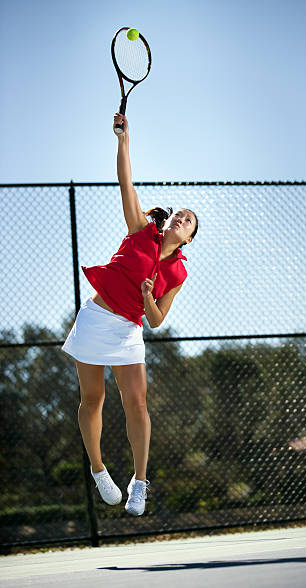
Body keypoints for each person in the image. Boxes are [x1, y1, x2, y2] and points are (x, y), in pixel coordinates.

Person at [62, 113, 198, 516]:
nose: (181, 219)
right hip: (96, 318)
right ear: (168, 220)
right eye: (179, 214)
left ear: (189, 238)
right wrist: (124, 139)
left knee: (137, 404)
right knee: (92, 399)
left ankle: (139, 483)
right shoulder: (140, 229)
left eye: (188, 221)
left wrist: (147, 297)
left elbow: (156, 320)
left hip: (128, 331)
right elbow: (127, 181)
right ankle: (99, 469)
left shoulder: (179, 272)